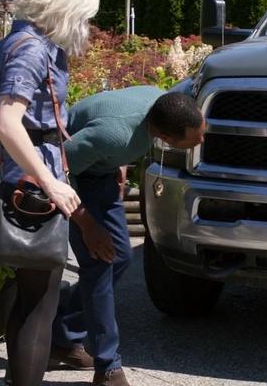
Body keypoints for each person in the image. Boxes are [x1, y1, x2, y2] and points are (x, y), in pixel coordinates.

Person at [0, 0, 99, 386]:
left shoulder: (18, 41)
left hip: (19, 180)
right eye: (83, 15)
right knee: (40, 305)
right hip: (31, 188)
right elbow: (8, 122)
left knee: (28, 299)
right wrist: (51, 182)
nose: (86, 24)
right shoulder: (32, 48)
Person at [49, 89, 206, 386]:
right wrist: (87, 224)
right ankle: (108, 367)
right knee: (99, 263)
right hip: (73, 181)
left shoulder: (166, 105)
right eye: (195, 138)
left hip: (101, 172)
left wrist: (118, 165)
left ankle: (61, 334)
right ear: (164, 135)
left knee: (121, 256)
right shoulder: (116, 136)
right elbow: (55, 170)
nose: (202, 140)